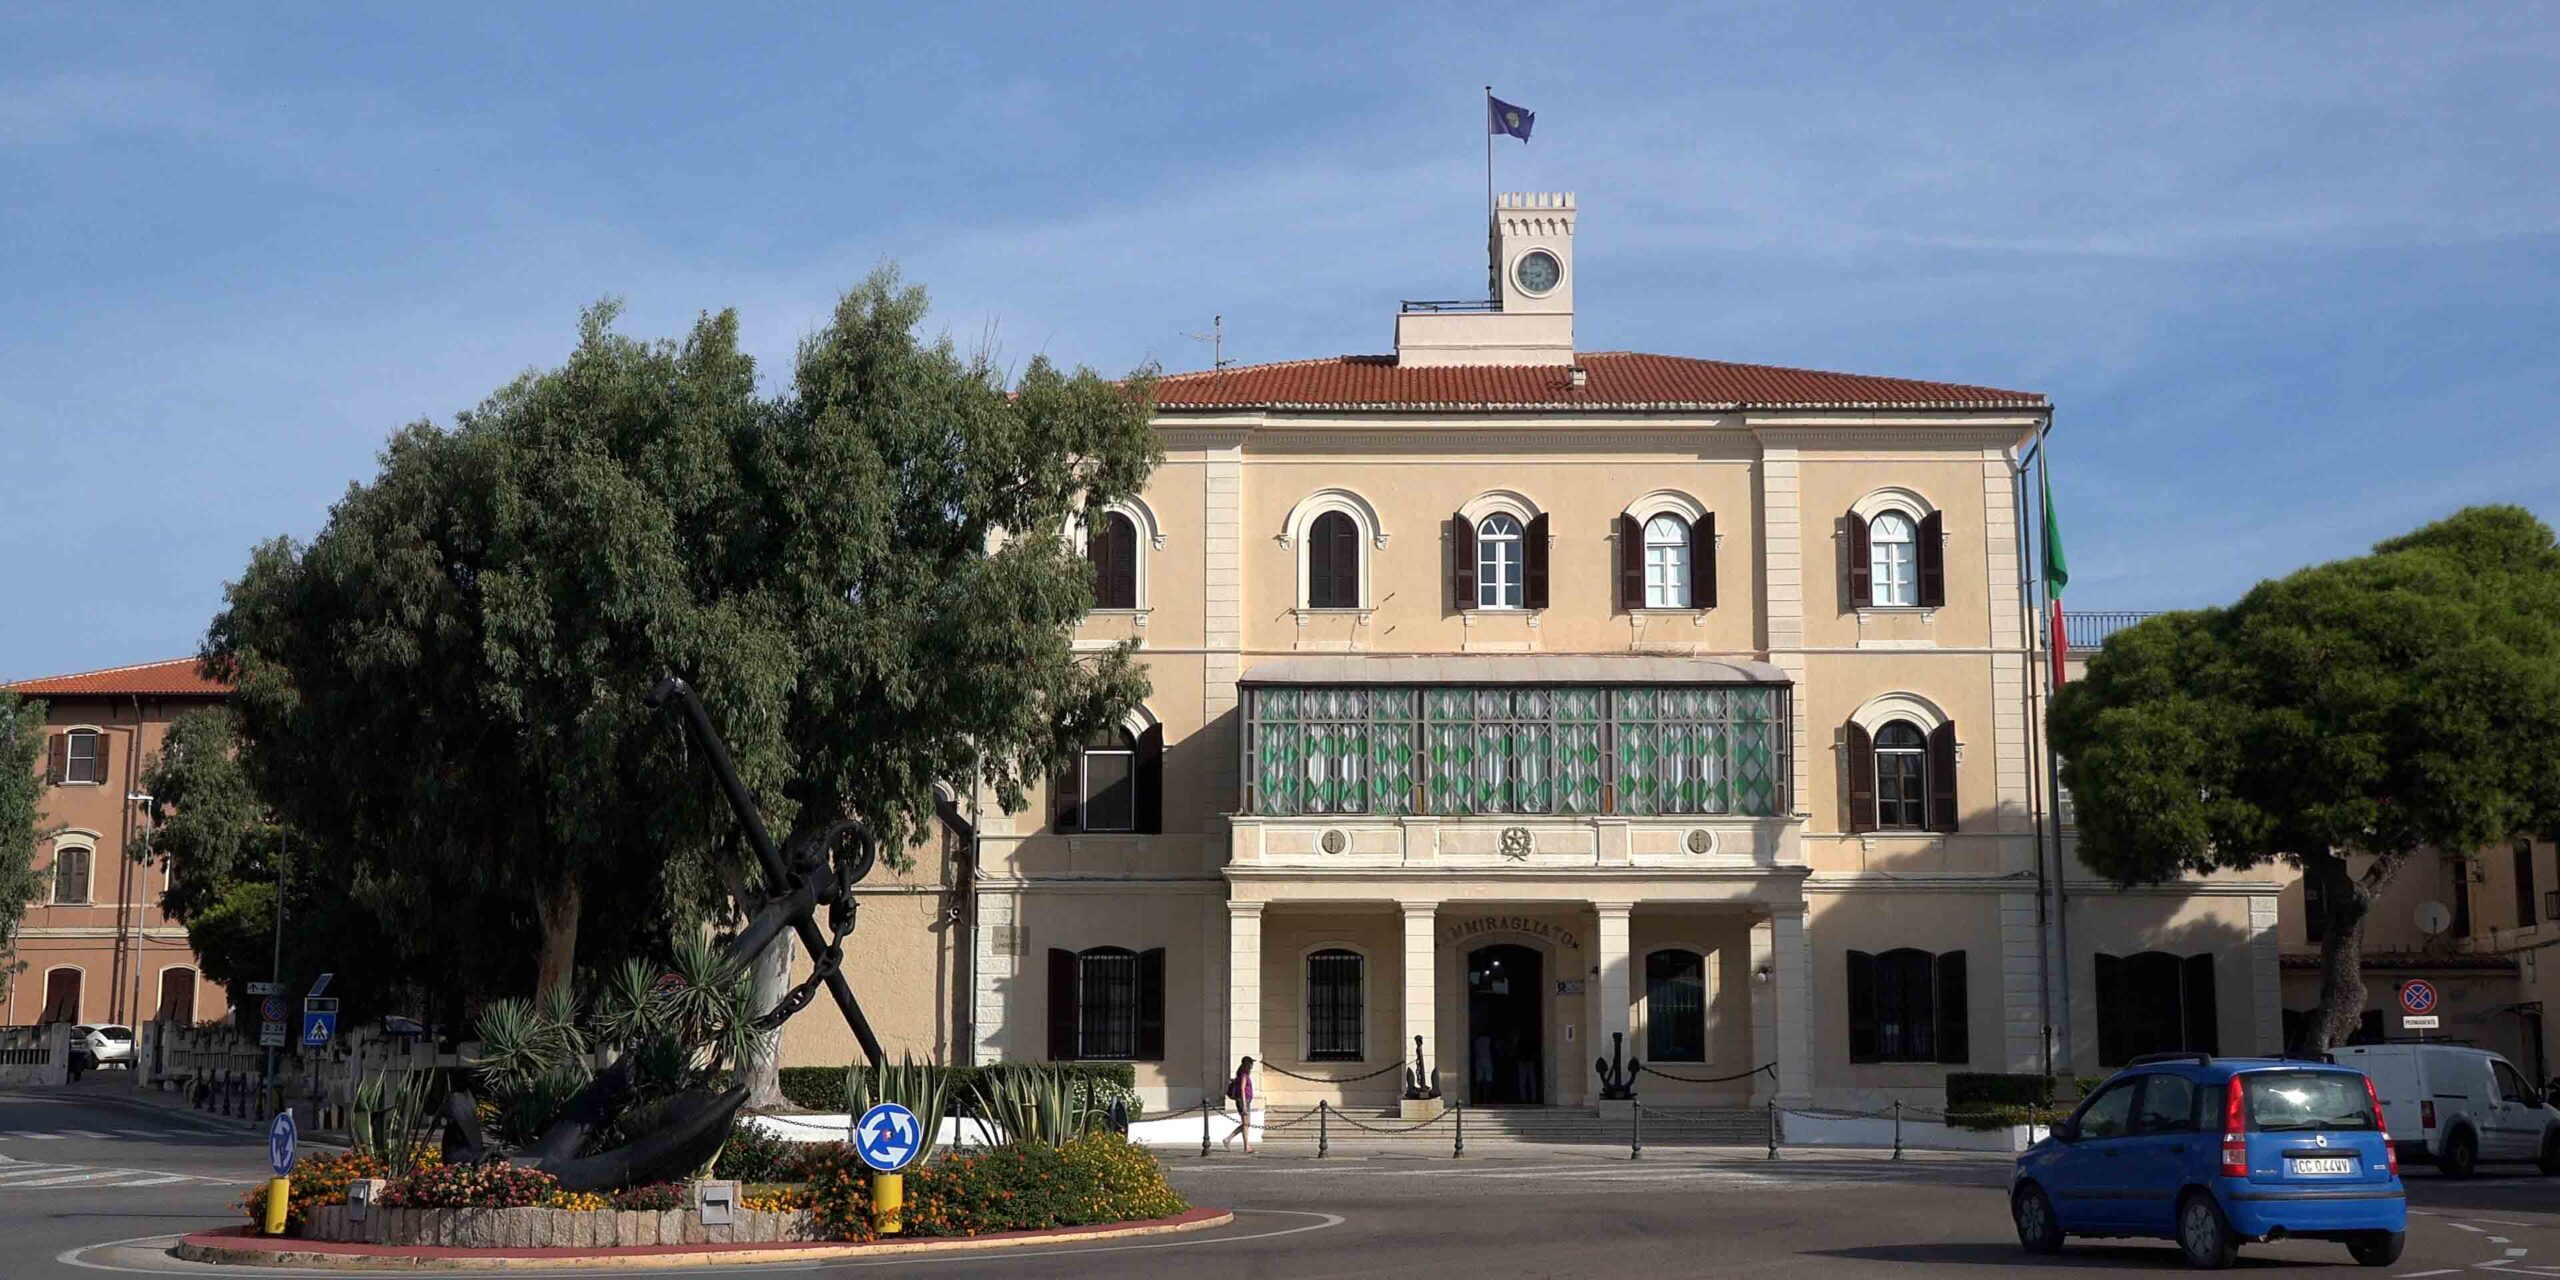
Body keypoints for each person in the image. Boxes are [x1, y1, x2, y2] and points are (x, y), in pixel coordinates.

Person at [1223, 1056, 1257, 1153]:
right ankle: (1245, 1146)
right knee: (1246, 1124)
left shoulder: (1243, 1075)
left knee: (1246, 1124)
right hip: (1244, 1101)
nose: (1252, 1065)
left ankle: (1229, 1139)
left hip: (1246, 1100)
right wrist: (1245, 1106)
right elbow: (1242, 1089)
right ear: (1247, 1064)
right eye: (1251, 1063)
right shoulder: (1243, 1076)